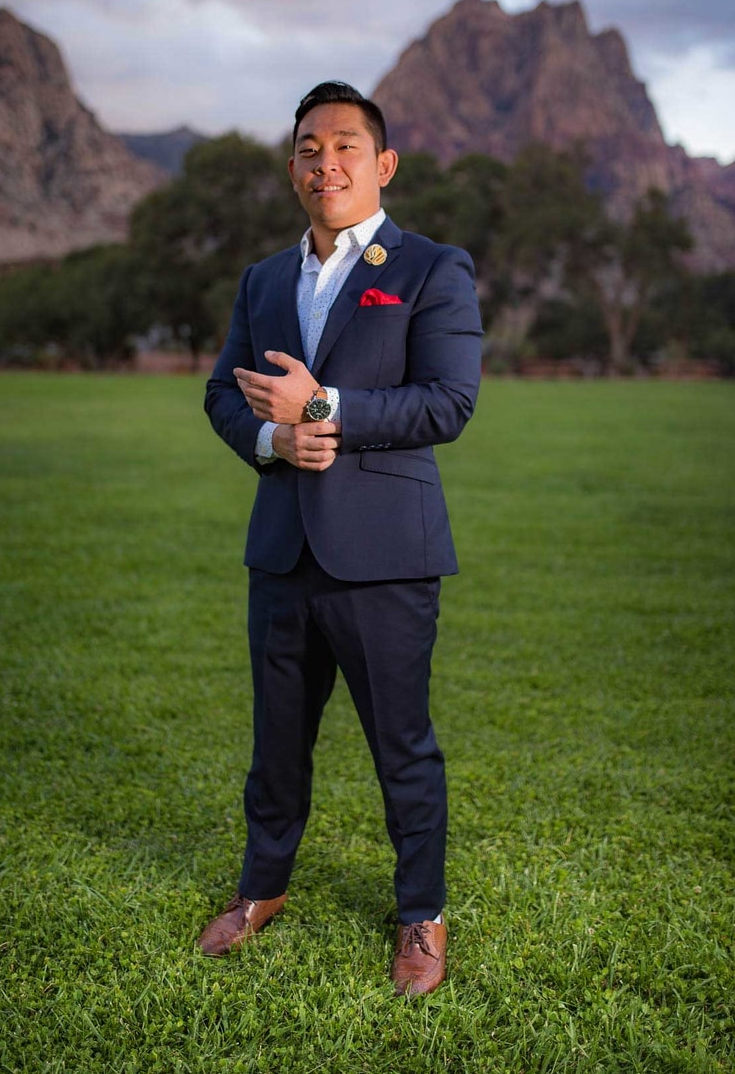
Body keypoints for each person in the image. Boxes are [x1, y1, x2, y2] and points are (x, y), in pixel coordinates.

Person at [199, 81, 482, 996]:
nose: (328, 163)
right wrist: (271, 438)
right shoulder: (263, 280)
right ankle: (260, 888)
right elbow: (218, 396)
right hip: (281, 550)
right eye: (310, 149)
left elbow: (449, 401)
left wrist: (322, 407)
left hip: (385, 556)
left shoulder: (432, 267)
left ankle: (420, 916)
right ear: (293, 169)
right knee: (275, 743)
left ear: (382, 164)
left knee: (402, 746)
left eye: (346, 147)